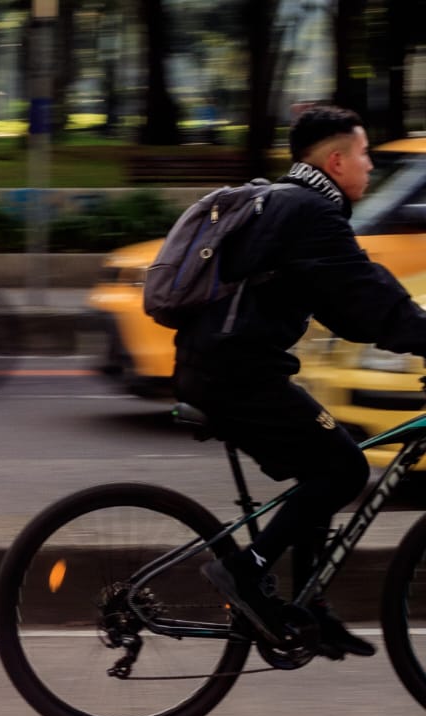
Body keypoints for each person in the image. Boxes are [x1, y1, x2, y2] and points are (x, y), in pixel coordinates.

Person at [178, 103, 426, 658]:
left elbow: (350, 305)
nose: (369, 166)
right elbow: (367, 296)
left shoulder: (290, 203)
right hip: (235, 376)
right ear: (336, 161)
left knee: (326, 459)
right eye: (364, 154)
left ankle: (309, 605)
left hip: (224, 368)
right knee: (345, 468)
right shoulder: (309, 213)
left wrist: (412, 333)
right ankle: (244, 571)